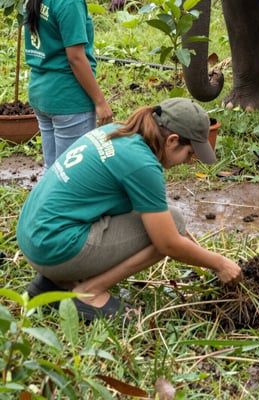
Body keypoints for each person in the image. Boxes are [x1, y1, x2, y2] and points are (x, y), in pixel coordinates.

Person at [16, 98, 243, 321]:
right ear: (172, 141)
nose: (188, 161)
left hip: (33, 236)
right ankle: (90, 293)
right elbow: (168, 243)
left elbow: (149, 211)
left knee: (169, 222)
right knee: (173, 224)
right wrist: (219, 263)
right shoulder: (142, 164)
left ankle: (54, 283)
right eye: (190, 154)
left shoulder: (117, 132)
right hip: (54, 248)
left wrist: (192, 247)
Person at [24, 0, 116, 170]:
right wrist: (100, 102)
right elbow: (76, 58)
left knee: (53, 170)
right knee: (71, 175)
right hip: (68, 98)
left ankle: (44, 209)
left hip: (41, 92)